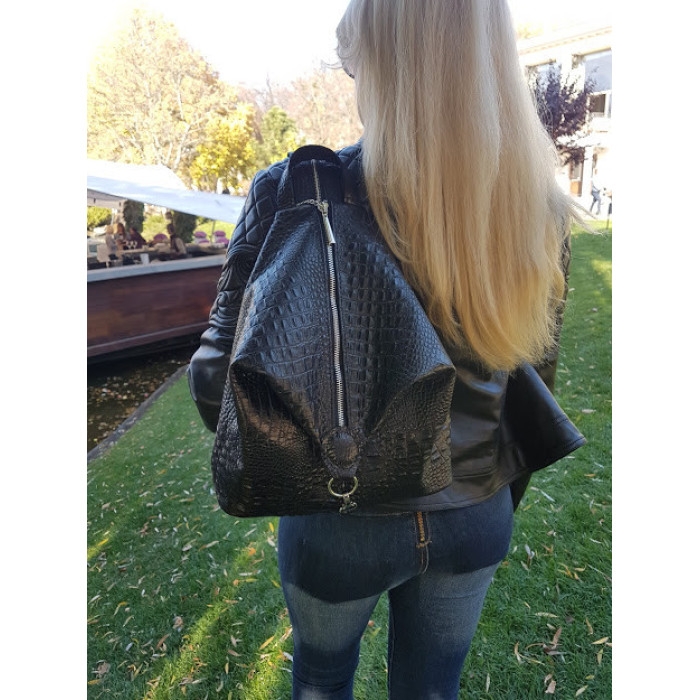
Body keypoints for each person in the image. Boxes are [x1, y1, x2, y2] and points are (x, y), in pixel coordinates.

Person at [188, 1, 582, 697]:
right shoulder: (537, 204)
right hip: (477, 511)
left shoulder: (292, 191)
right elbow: (533, 371)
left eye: (356, 64)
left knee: (321, 679)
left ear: (380, 62)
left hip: (337, 518)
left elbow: (217, 380)